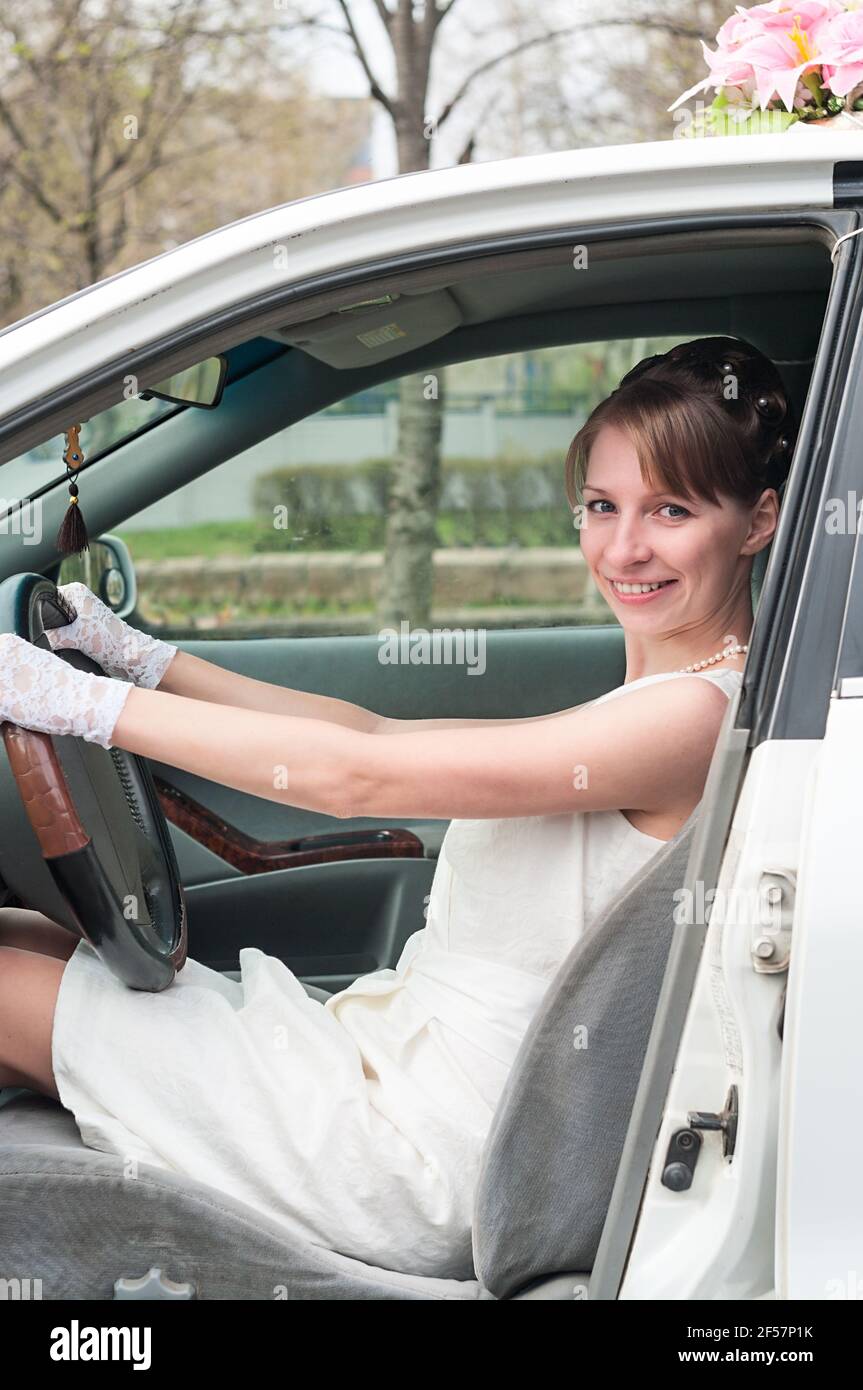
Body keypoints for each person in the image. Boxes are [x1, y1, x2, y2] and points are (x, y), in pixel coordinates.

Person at [0, 335, 793, 1280]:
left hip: (415, 1150)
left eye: (670, 510)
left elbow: (355, 780)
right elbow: (371, 732)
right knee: (22, 933)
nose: (622, 548)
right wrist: (147, 662)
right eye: (600, 506)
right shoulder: (658, 703)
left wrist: (83, 705)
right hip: (387, 1068)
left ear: (757, 521)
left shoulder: (692, 719)